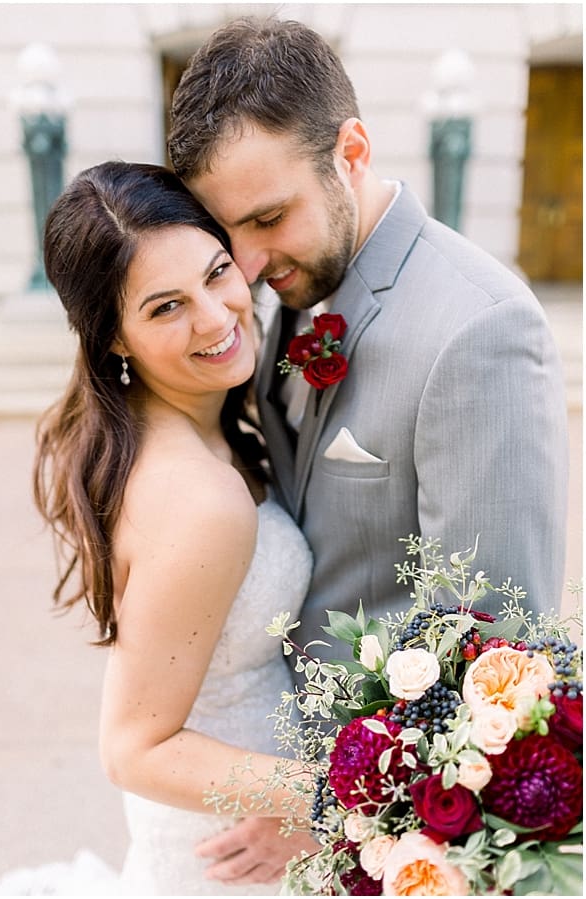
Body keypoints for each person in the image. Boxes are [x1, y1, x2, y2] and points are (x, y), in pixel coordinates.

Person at [165, 15, 568, 886]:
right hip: (281, 773)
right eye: (232, 230)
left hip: (393, 830)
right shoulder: (288, 292)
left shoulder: (478, 327)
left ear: (352, 149)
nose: (250, 260)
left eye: (271, 217)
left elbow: (493, 652)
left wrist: (339, 818)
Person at [0, 161, 316, 896]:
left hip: (223, 820)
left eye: (217, 273)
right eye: (166, 307)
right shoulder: (201, 500)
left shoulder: (158, 420)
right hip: (235, 850)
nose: (214, 316)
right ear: (115, 338)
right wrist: (330, 798)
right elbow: (133, 747)